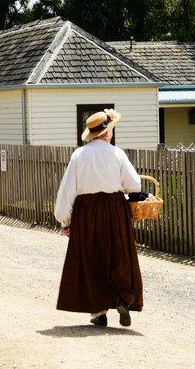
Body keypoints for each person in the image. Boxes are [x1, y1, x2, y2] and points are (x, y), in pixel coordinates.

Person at [54, 108, 144, 327]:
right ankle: (123, 297)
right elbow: (134, 184)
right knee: (118, 255)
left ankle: (99, 311)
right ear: (107, 135)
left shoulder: (78, 155)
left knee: (92, 258)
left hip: (87, 212)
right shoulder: (117, 153)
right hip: (114, 210)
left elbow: (68, 190)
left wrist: (64, 220)